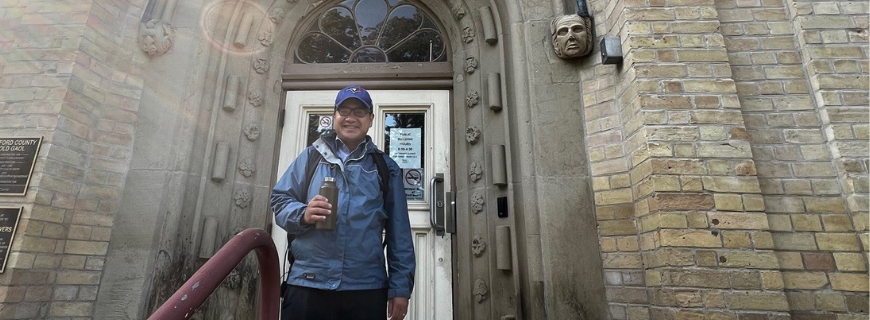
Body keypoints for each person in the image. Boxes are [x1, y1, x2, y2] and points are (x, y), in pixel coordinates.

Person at [271, 85, 415, 320]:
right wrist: (303, 214)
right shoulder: (310, 158)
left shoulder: (386, 168)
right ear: (334, 116)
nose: (351, 118)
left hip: (365, 287)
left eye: (359, 112)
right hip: (308, 282)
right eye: (344, 111)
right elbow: (279, 200)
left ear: (370, 119)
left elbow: (400, 232)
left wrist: (400, 288)